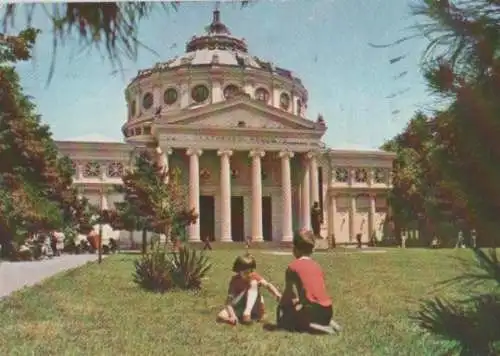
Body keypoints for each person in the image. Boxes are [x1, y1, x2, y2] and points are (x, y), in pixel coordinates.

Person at [277, 230, 341, 334]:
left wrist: (282, 306)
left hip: (311, 310)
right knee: (310, 311)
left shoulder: (292, 267)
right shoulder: (317, 266)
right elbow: (313, 291)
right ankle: (328, 322)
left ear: (295, 249)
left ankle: (319, 328)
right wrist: (299, 300)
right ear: (312, 250)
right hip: (328, 309)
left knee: (294, 321)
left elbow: (288, 293)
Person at [217, 254, 281, 326]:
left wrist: (276, 293)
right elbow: (228, 302)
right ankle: (233, 320)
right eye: (245, 272)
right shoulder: (234, 281)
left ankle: (247, 313)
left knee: (253, 283)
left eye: (250, 271)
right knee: (221, 315)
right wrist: (232, 316)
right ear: (238, 271)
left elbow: (267, 285)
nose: (249, 274)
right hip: (241, 306)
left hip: (255, 306)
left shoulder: (254, 276)